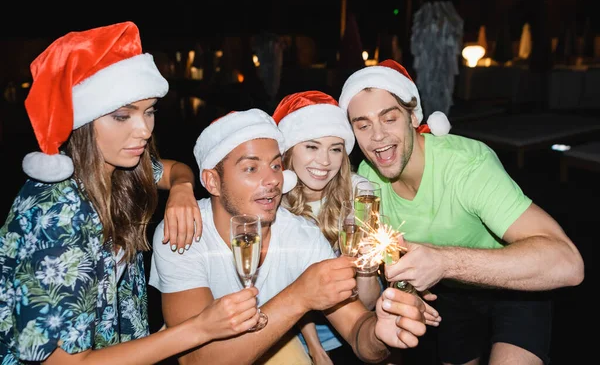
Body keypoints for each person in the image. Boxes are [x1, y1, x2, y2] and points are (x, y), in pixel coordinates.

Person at [0, 21, 261, 364]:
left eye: (149, 111)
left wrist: (182, 189)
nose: (143, 130)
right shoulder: (55, 215)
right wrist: (201, 328)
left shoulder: (121, 168)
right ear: (83, 119)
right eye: (122, 116)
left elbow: (173, 169)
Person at [337, 59, 585, 365]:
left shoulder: (467, 166)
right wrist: (406, 288)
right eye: (362, 125)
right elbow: (386, 269)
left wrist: (442, 262)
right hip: (450, 293)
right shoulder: (368, 181)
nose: (376, 136)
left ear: (413, 116)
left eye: (389, 119)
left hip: (517, 284)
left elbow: (568, 264)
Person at [148, 108, 429, 365]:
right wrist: (299, 297)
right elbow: (197, 360)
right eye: (251, 168)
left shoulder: (302, 236)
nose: (272, 180)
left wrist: (380, 332)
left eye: (275, 165)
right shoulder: (184, 230)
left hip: (274, 340)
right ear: (212, 181)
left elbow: (357, 330)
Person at [272, 90, 384, 364]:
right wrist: (312, 345)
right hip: (289, 328)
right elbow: (282, 287)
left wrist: (365, 264)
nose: (324, 161)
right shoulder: (273, 202)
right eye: (311, 146)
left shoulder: (360, 196)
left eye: (335, 149)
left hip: (356, 323)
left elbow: (368, 302)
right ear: (288, 151)